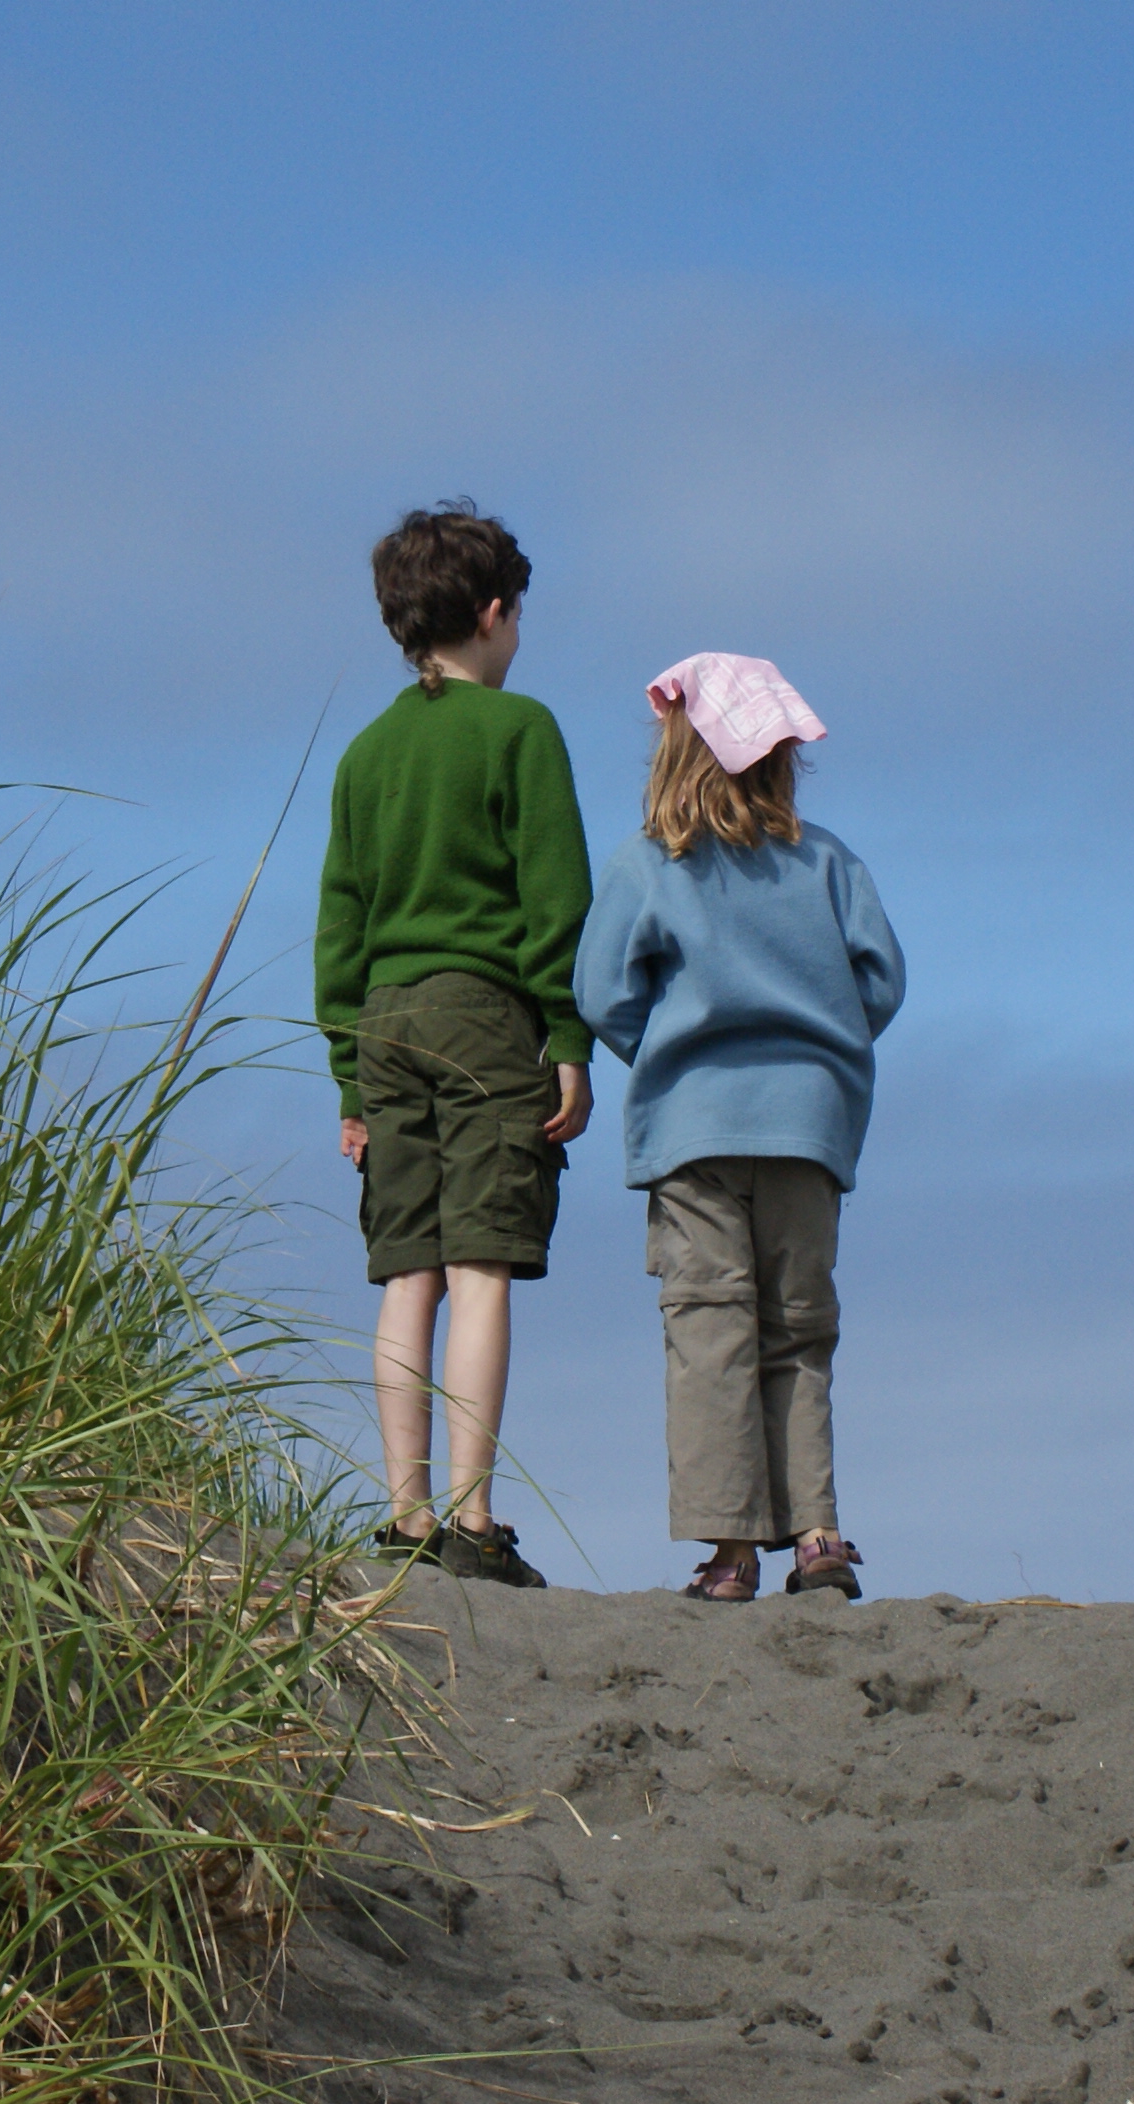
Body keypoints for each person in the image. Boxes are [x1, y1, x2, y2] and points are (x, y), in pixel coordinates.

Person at [573, 653, 904, 1602]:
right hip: (809, 1128)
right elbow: (882, 981)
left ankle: (729, 1554)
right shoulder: (829, 862)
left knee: (710, 1329)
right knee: (799, 1330)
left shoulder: (649, 865)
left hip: (693, 1132)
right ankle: (818, 1535)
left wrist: (670, 1051)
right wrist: (821, 1049)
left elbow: (601, 993)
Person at [317, 502, 595, 1588]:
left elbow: (337, 926)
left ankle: (405, 1514)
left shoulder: (363, 752)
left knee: (406, 1274)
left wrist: (348, 1074)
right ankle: (476, 1523)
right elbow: (553, 901)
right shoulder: (519, 730)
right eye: (515, 614)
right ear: (490, 614)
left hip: (383, 1021)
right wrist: (566, 1038)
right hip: (485, 1013)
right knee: (481, 1267)